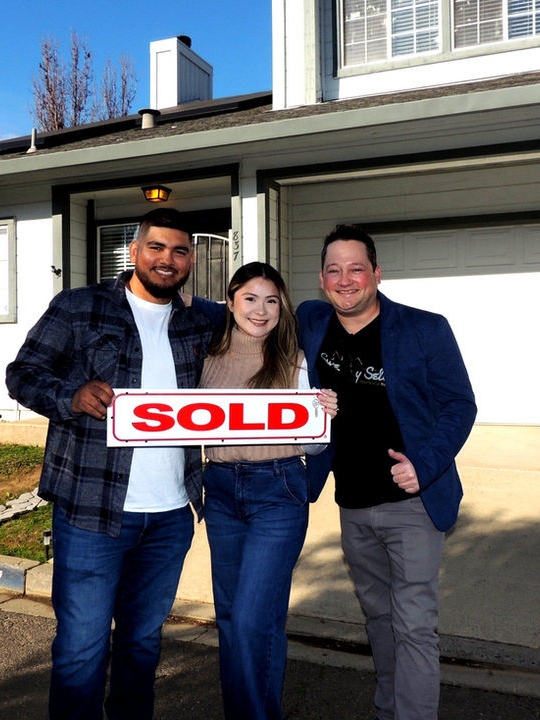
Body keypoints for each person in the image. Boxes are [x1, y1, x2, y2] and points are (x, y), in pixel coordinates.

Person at [5, 208, 223, 720]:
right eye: (156, 248)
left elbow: (259, 324)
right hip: (91, 509)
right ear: (134, 251)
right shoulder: (80, 308)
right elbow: (22, 373)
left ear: (190, 260)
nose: (167, 260)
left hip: (171, 514)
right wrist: (71, 394)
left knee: (142, 646)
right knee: (81, 650)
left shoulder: (199, 320)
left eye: (179, 251)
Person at [296, 225, 476, 720]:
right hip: (351, 504)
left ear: (376, 273)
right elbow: (250, 314)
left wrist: (427, 463)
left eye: (356, 268)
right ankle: (389, 707)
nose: (345, 279)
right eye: (334, 269)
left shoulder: (424, 329)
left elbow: (459, 404)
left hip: (412, 504)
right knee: (379, 617)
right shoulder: (310, 321)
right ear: (321, 279)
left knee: (414, 624)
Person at [198, 261, 337, 720]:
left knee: (253, 622)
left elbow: (312, 446)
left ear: (283, 307)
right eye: (251, 299)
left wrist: (322, 417)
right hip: (219, 492)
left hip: (277, 491)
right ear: (231, 301)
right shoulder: (206, 355)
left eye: (271, 300)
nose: (261, 310)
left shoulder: (293, 357)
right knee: (234, 621)